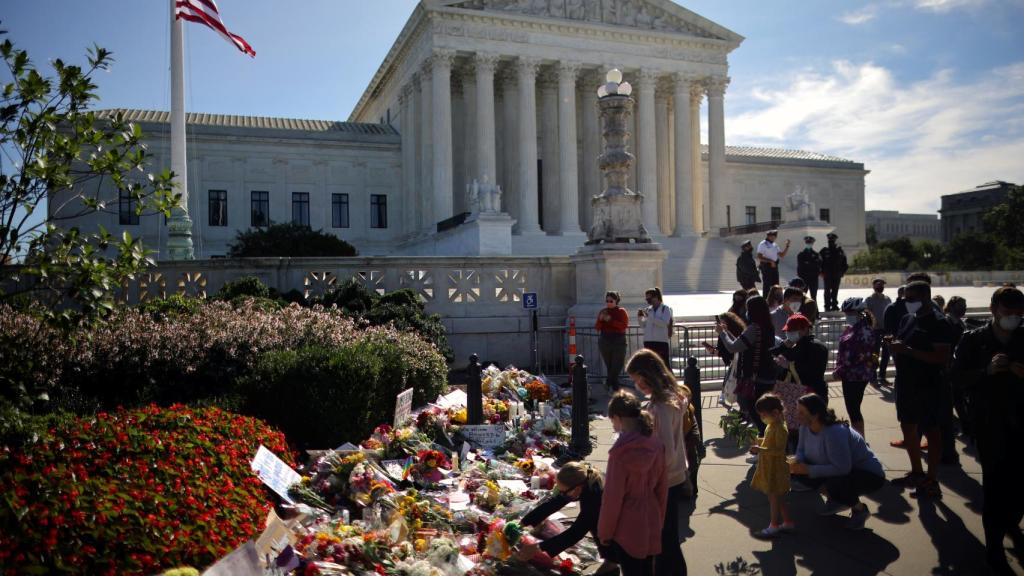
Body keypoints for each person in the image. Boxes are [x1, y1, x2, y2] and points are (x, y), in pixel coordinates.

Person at [950, 286, 1024, 574]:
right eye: (1008, 314)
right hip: (990, 424)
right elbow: (955, 378)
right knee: (994, 487)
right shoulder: (973, 339)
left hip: (1021, 421)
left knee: (1019, 485)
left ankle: (1011, 523)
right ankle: (994, 548)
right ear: (994, 310)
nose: (1014, 319)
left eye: (1019, 315)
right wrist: (986, 372)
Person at [888, 280, 957, 498]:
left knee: (931, 430)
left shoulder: (939, 323)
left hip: (929, 385)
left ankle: (931, 479)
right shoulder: (908, 319)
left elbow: (941, 357)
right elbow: (903, 344)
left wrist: (907, 350)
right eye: (904, 298)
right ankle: (917, 472)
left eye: (911, 298)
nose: (906, 302)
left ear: (925, 298)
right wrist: (894, 346)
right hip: (907, 384)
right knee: (908, 427)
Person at [626, 350, 689, 576]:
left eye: (637, 379)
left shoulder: (660, 407)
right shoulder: (670, 398)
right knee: (667, 536)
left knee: (663, 539)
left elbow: (665, 451)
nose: (637, 385)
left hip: (664, 479)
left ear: (649, 375)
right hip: (673, 476)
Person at [789, 393, 885, 531]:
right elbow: (801, 451)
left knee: (836, 482)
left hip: (868, 475)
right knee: (797, 474)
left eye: (801, 412)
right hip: (840, 469)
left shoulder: (834, 433)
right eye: (797, 411)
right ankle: (838, 500)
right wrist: (796, 462)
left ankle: (859, 509)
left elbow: (842, 468)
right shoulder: (805, 427)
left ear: (815, 415)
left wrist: (808, 469)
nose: (797, 415)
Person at [599, 392, 668, 576]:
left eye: (612, 421)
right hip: (650, 516)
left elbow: (612, 498)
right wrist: (659, 518)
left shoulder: (620, 453)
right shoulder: (656, 444)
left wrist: (605, 532)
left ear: (618, 418)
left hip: (627, 524)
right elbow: (662, 488)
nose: (613, 425)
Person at [519, 462, 608, 564]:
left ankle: (611, 563)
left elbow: (575, 533)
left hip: (625, 526)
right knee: (594, 523)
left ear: (577, 488)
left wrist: (538, 547)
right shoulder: (582, 478)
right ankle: (610, 562)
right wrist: (522, 524)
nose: (562, 494)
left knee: (597, 525)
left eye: (563, 492)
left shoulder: (595, 499)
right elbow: (553, 504)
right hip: (611, 513)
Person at [716, 296, 779, 433]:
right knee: (765, 411)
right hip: (767, 374)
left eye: (747, 308)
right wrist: (727, 332)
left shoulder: (753, 328)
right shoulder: (768, 327)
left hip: (755, 377)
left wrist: (722, 334)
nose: (746, 312)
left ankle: (765, 442)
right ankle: (768, 441)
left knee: (756, 412)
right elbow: (742, 344)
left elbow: (734, 347)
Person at [749, 393, 793, 538]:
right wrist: (758, 441)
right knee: (777, 497)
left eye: (763, 415)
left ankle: (774, 524)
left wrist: (759, 449)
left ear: (775, 413)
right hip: (770, 466)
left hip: (776, 468)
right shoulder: (772, 425)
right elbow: (769, 442)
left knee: (774, 497)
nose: (762, 418)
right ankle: (786, 521)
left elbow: (779, 450)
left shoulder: (780, 428)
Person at [835, 297, 877, 439]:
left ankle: (860, 440)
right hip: (849, 375)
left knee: (853, 409)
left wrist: (839, 370)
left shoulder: (864, 330)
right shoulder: (852, 328)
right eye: (846, 313)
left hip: (856, 375)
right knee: (853, 408)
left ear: (860, 312)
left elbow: (857, 356)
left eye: (850, 312)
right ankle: (859, 439)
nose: (847, 316)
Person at [772, 314, 828, 400]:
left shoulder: (816, 347)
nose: (789, 333)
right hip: (801, 394)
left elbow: (813, 371)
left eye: (792, 330)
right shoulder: (795, 346)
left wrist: (789, 366)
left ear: (805, 330)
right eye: (788, 331)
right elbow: (770, 355)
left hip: (812, 394)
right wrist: (783, 346)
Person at [596, 291, 629, 392]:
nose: (609, 303)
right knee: (609, 365)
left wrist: (610, 320)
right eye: (607, 301)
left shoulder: (621, 311)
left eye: (611, 301)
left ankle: (608, 383)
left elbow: (623, 325)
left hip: (618, 340)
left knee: (617, 365)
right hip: (605, 340)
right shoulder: (603, 311)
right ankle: (616, 389)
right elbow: (597, 327)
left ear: (616, 301)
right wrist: (601, 320)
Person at [864, 278, 892, 386]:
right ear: (874, 286)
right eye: (878, 285)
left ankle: (882, 376)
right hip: (874, 331)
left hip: (886, 330)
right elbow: (867, 314)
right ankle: (873, 377)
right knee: (874, 354)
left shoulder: (887, 299)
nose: (880, 287)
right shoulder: (869, 300)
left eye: (882, 285)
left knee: (886, 354)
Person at [638, 288, 673, 368]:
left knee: (663, 365)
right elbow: (643, 325)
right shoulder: (648, 309)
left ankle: (667, 380)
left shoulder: (665, 309)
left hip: (661, 342)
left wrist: (650, 317)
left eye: (649, 298)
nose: (648, 301)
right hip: (648, 341)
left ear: (656, 297)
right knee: (649, 366)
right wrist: (640, 317)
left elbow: (664, 323)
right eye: (646, 299)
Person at [819, 232, 848, 312]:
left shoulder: (840, 251)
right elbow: (818, 262)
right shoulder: (824, 251)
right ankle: (827, 306)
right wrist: (820, 272)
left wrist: (842, 272)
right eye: (829, 241)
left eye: (832, 240)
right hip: (827, 274)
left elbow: (844, 263)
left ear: (835, 241)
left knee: (835, 290)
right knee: (827, 291)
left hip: (837, 274)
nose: (831, 242)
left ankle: (834, 305)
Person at [757, 230, 790, 300]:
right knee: (767, 285)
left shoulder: (775, 244)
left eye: (775, 236)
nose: (773, 238)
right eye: (772, 236)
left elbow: (782, 255)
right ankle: (766, 301)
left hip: (774, 266)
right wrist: (770, 261)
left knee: (776, 285)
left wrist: (787, 246)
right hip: (766, 266)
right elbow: (759, 256)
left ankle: (776, 300)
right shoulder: (763, 244)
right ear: (768, 236)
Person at [796, 236, 822, 302]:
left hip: (813, 278)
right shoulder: (801, 254)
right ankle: (802, 310)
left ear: (812, 243)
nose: (809, 244)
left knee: (814, 296)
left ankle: (814, 310)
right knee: (802, 296)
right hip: (804, 278)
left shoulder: (816, 255)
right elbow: (799, 267)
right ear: (805, 243)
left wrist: (817, 274)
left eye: (810, 243)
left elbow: (819, 266)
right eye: (807, 243)